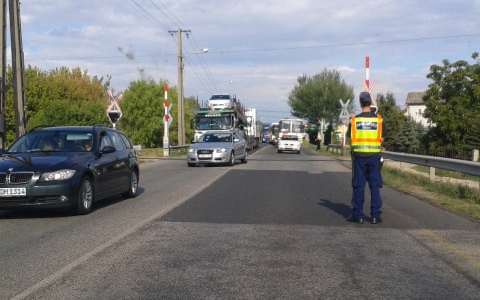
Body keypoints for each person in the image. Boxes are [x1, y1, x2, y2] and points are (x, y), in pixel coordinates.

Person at [345, 92, 387, 224]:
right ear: (370, 102)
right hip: (374, 157)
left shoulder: (354, 120)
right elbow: (382, 138)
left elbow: (350, 138)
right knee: (374, 185)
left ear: (360, 103)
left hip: (359, 158)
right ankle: (375, 216)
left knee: (358, 185)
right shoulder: (378, 120)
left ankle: (358, 215)